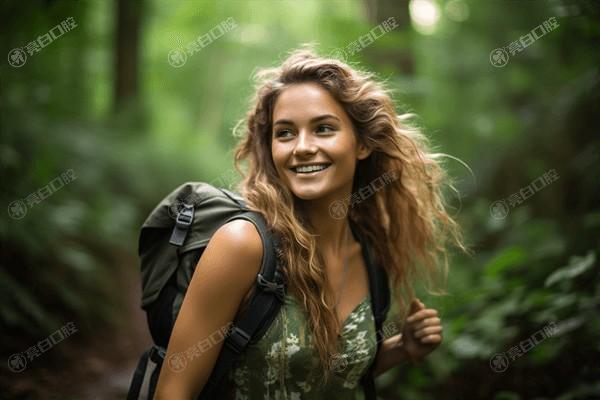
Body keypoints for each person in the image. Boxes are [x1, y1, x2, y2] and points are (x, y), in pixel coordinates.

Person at [154, 44, 467, 399]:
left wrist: (399, 350)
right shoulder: (243, 246)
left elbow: (325, 380)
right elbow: (172, 391)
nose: (301, 147)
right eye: (285, 133)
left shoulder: (370, 251)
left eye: (323, 129)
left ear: (361, 144)